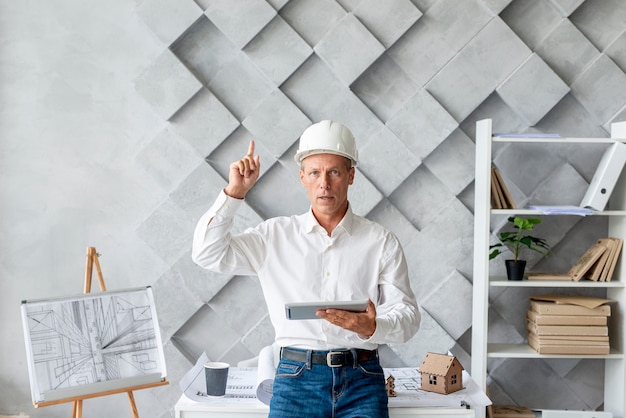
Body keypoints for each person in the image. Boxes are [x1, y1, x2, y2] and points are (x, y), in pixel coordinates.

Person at [192, 120, 420, 418]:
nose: (324, 183)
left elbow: (408, 316)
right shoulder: (273, 236)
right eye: (314, 173)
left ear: (351, 176)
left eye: (334, 172)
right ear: (302, 177)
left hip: (362, 379)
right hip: (295, 380)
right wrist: (234, 193)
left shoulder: (380, 241)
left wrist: (374, 327)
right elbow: (207, 253)